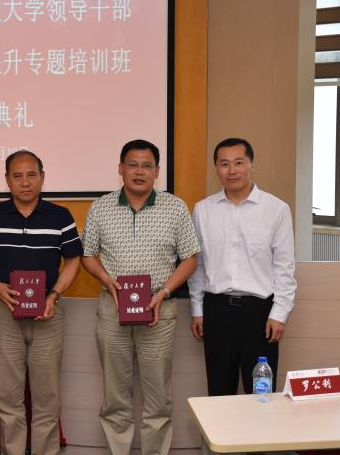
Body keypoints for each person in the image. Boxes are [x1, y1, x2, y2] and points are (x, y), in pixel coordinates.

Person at [82, 139, 200, 455]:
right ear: (120, 169)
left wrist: (164, 292)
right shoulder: (101, 207)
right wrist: (106, 280)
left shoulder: (175, 207)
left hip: (159, 310)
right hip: (113, 308)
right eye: (132, 165)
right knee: (115, 396)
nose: (139, 172)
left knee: (158, 397)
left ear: (157, 171)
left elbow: (190, 259)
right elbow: (87, 255)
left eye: (147, 166)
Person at [0, 150, 83, 455]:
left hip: (48, 313)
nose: (25, 182)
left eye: (31, 175)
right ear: (7, 180)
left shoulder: (60, 216)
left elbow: (74, 261)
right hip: (4, 312)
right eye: (17, 176)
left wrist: (54, 295)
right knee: (7, 398)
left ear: (42, 178)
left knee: (47, 398)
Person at [189, 137, 296, 396]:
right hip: (217, 312)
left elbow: (284, 267)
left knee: (261, 395)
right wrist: (197, 310)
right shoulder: (203, 210)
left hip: (260, 314)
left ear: (251, 165)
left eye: (239, 163)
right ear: (216, 168)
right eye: (224, 164)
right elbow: (198, 265)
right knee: (219, 393)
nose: (232, 170)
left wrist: (279, 313)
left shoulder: (276, 209)